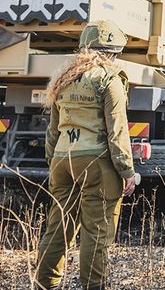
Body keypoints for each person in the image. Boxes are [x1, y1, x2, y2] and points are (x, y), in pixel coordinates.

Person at [36, 20, 137, 290]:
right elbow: (117, 132)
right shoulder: (109, 80)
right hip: (96, 163)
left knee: (57, 227)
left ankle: (45, 284)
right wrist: (127, 172)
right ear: (113, 52)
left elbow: (53, 130)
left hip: (61, 160)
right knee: (97, 233)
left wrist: (52, 162)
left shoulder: (63, 78)